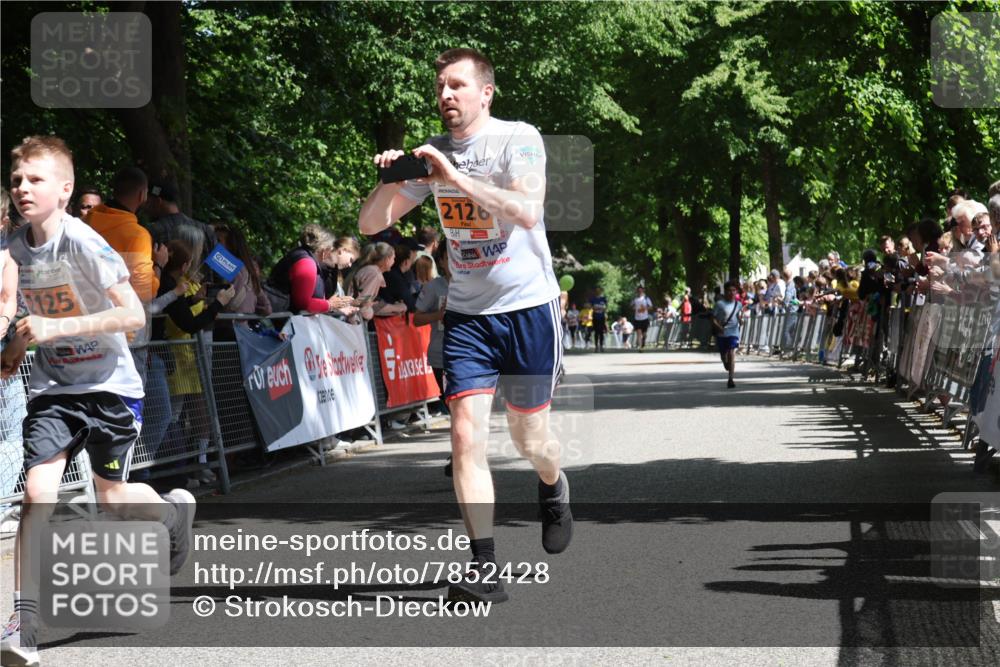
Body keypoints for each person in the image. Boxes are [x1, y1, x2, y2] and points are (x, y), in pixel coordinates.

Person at [357, 48, 570, 604]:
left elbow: (527, 210)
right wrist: (392, 177)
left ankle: (552, 484)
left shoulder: (518, 139)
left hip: (527, 308)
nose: (446, 95)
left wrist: (453, 176)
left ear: (485, 93)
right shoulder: (433, 157)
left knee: (530, 438)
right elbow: (370, 222)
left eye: (457, 85)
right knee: (464, 436)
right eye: (441, 87)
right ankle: (483, 568)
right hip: (470, 314)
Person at [1, 137, 195, 667]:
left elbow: (133, 316)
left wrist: (52, 327)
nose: (22, 188)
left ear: (65, 190)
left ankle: (173, 514)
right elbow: (7, 307)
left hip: (109, 386)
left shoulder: (84, 241)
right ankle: (23, 621)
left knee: (112, 498)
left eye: (35, 180)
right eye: (17, 180)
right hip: (54, 391)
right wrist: (15, 341)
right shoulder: (12, 247)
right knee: (36, 494)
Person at [414, 244, 452, 470]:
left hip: (473, 354)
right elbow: (416, 319)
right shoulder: (433, 287)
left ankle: (464, 452)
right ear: (441, 260)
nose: (453, 262)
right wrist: (440, 315)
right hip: (442, 355)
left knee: (467, 408)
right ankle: (460, 453)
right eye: (449, 257)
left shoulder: (475, 284)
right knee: (454, 406)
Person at [269, 224, 354, 316]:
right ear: (325, 249)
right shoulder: (307, 263)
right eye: (332, 250)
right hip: (279, 320)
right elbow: (302, 303)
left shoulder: (304, 256)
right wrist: (330, 304)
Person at [348, 242, 407, 322]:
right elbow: (362, 301)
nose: (394, 261)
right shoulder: (374, 274)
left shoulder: (370, 270)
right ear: (387, 259)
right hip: (353, 320)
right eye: (393, 258)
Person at [713, 281, 743, 388]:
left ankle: (731, 379)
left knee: (732, 352)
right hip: (722, 333)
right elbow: (713, 319)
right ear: (725, 292)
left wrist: (740, 320)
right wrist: (719, 327)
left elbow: (737, 314)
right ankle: (726, 363)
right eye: (729, 290)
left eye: (734, 290)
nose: (731, 292)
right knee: (724, 358)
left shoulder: (738, 304)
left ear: (736, 292)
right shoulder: (719, 304)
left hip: (733, 332)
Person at [630, 286, 653, 350]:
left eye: (641, 290)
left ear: (643, 291)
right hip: (637, 318)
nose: (640, 292)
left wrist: (644, 308)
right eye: (638, 291)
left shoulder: (646, 298)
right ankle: (640, 347)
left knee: (644, 334)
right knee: (639, 333)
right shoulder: (635, 299)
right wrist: (634, 308)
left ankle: (643, 341)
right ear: (637, 291)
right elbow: (631, 306)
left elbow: (651, 307)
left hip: (645, 318)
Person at [590, 287, 608, 352]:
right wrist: (598, 308)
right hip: (595, 317)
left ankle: (601, 346)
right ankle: (596, 346)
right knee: (596, 332)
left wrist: (599, 308)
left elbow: (605, 307)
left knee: (601, 332)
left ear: (601, 291)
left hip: (602, 317)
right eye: (597, 290)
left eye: (599, 290)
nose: (598, 291)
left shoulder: (604, 298)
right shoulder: (593, 299)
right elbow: (591, 307)